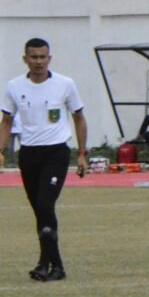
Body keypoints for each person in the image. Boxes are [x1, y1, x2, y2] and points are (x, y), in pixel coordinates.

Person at [0, 37, 89, 282]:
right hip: (29, 154)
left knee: (45, 205)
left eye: (43, 57)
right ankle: (50, 265)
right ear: (25, 59)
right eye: (34, 57)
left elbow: (79, 118)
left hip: (56, 153)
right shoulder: (14, 86)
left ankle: (49, 265)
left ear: (49, 58)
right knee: (39, 210)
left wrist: (82, 153)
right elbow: (6, 122)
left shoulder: (65, 84)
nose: (39, 61)